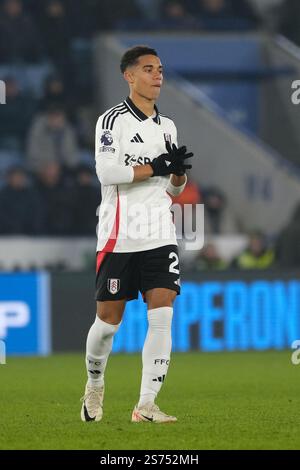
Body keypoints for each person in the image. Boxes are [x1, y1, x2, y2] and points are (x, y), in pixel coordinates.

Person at [80, 45, 194, 423]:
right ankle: (95, 383)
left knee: (162, 315)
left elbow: (174, 189)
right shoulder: (112, 121)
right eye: (148, 69)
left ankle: (146, 405)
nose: (157, 75)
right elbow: (107, 174)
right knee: (107, 324)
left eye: (160, 68)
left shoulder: (168, 126)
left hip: (159, 233)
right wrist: (156, 165)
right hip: (119, 235)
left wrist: (176, 173)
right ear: (129, 76)